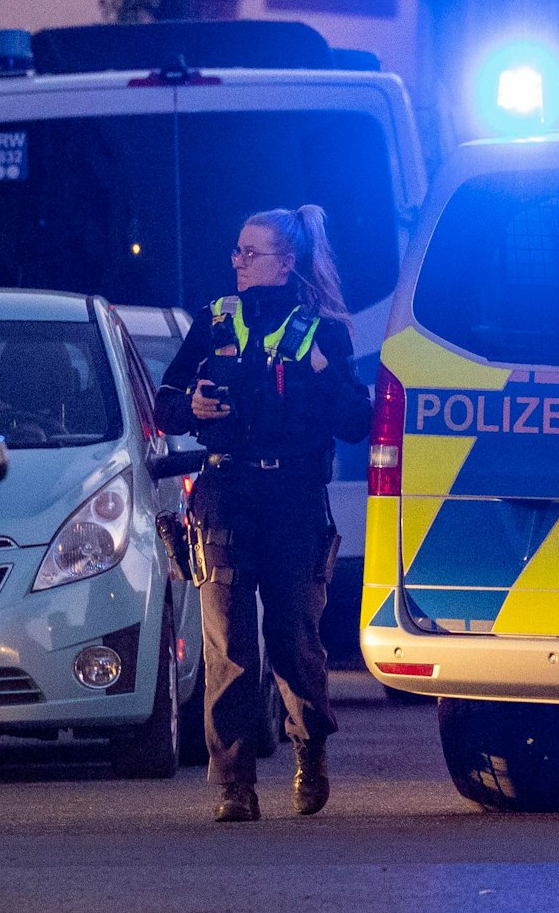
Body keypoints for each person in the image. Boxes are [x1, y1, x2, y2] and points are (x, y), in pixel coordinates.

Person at [156, 206, 372, 822]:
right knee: (228, 643)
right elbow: (165, 402)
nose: (239, 263)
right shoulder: (214, 320)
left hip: (295, 499)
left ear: (286, 263)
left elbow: (357, 422)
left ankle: (310, 749)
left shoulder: (323, 332)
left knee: (293, 640)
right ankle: (234, 784)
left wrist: (324, 374)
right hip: (225, 492)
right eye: (237, 251)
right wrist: (193, 407)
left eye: (251, 253)